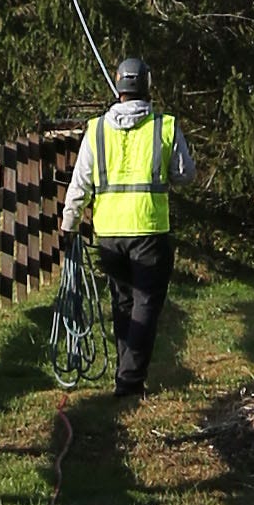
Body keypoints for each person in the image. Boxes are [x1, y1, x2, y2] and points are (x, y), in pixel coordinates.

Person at [56, 55, 198, 407]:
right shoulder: (164, 125)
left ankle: (125, 371)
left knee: (122, 302)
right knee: (145, 305)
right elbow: (186, 174)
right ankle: (130, 380)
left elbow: (80, 182)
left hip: (109, 233)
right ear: (147, 86)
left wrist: (69, 223)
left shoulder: (96, 129)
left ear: (118, 87)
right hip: (150, 228)